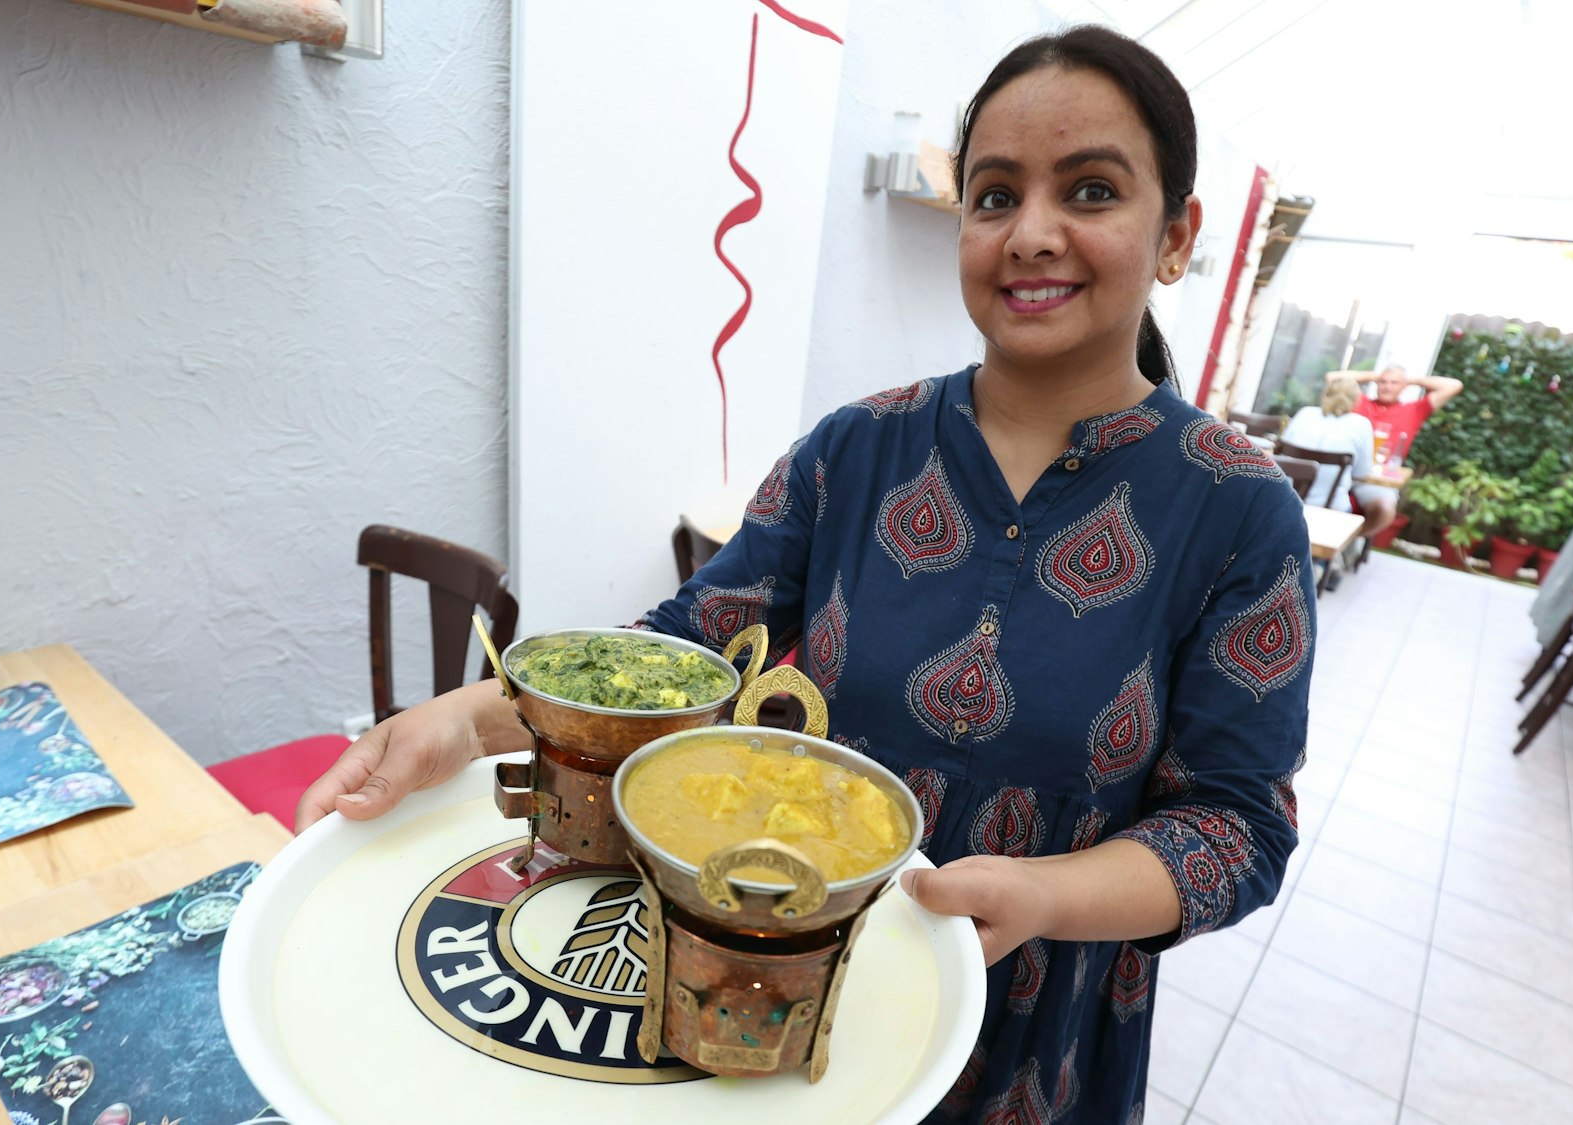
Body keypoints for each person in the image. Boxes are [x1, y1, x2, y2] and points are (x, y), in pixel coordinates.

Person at [298, 26, 1311, 1123]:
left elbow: (1232, 828)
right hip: (782, 976)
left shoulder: (1235, 511)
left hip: (1037, 1023)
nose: (1030, 234)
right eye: (992, 195)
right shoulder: (856, 451)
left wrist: (1046, 894)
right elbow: (688, 651)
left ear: (1174, 236)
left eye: (1090, 189)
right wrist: (473, 718)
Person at [1326, 363, 1464, 544]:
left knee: (1385, 510)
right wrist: (1374, 376)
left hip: (1376, 479)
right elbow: (1332, 377)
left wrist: (1412, 380)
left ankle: (1347, 541)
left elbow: (1454, 386)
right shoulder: (1360, 402)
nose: (1387, 386)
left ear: (1403, 386)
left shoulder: (1414, 410)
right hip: (1344, 471)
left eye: (1394, 383)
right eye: (1383, 382)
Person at [1278, 373, 1377, 517]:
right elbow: (1361, 473)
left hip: (1285, 503)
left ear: (1325, 394)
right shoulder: (1361, 424)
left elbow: (1281, 453)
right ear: (1357, 399)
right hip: (1329, 511)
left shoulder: (1305, 414)